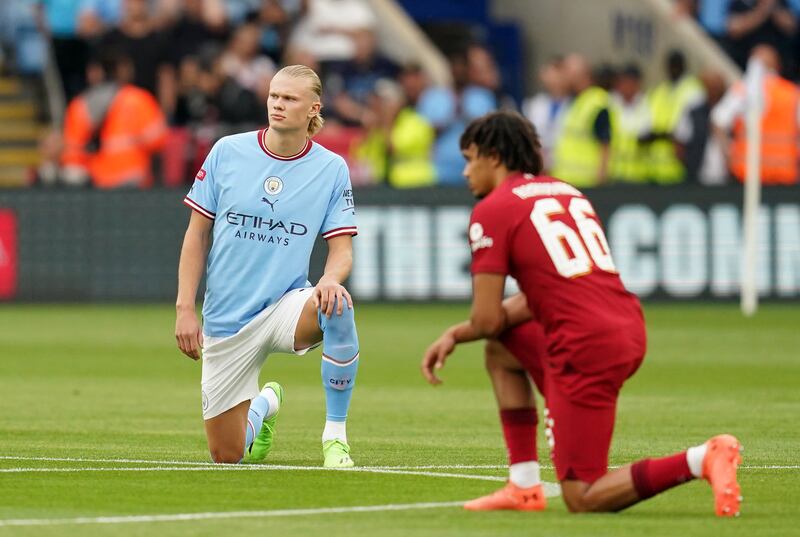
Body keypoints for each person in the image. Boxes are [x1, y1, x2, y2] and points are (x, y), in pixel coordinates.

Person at [420, 110, 742, 515]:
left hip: (585, 343)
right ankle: (523, 488)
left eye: (470, 159)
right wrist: (459, 332)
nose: (466, 171)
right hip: (626, 323)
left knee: (583, 495)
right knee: (502, 350)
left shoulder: (492, 209)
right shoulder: (566, 191)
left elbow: (485, 320)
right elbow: (545, 292)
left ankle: (702, 457)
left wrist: (457, 333)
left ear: (495, 156)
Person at [175, 64, 361, 468]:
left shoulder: (331, 169)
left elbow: (342, 249)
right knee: (227, 455)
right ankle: (264, 405)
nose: (277, 104)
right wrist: (186, 309)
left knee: (338, 304)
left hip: (285, 306)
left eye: (289, 98)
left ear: (314, 108)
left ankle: (335, 439)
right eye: (274, 95)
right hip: (225, 319)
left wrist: (329, 280)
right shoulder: (227, 151)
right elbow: (196, 235)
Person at [61, 49, 167, 188]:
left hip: (97, 181)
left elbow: (72, 152)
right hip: (134, 177)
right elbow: (158, 140)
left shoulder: (79, 104)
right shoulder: (137, 99)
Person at [712, 44, 799, 185]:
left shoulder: (742, 91)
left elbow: (718, 120)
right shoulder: (792, 93)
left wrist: (729, 156)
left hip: (747, 176)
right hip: (781, 177)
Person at [643, 50, 704, 184]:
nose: (673, 69)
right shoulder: (659, 90)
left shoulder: (693, 90)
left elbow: (694, 131)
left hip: (679, 165)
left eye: (677, 65)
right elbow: (647, 121)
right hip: (654, 166)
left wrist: (667, 135)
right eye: (671, 65)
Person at [551, 53, 613, 187]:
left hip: (587, 185)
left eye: (567, 73)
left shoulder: (597, 102)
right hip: (568, 183)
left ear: (579, 76)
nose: (563, 78)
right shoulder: (573, 101)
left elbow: (605, 146)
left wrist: (600, 184)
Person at [675, 69, 729, 185]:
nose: (714, 90)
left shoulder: (730, 112)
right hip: (698, 178)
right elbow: (679, 143)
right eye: (710, 86)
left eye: (717, 87)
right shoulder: (693, 112)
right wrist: (690, 165)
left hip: (728, 179)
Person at [609, 64, 650, 184]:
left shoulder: (647, 105)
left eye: (631, 82)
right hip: (614, 174)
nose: (627, 86)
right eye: (623, 82)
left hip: (640, 176)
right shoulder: (609, 103)